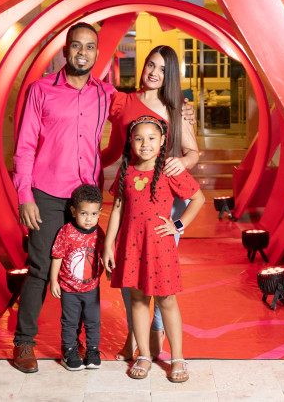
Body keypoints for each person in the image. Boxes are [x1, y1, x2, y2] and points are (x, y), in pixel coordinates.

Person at [11, 22, 111, 373]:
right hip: (47, 194)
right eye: (76, 46)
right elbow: (24, 146)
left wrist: (182, 114)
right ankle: (24, 343)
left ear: (97, 53)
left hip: (87, 199)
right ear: (65, 50)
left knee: (83, 272)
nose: (82, 52)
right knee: (40, 269)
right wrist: (25, 195)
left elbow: (141, 113)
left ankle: (76, 342)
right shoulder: (41, 90)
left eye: (89, 46)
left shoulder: (105, 93)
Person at [101, 45, 200, 361]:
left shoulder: (176, 109)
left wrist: (181, 163)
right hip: (132, 190)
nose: (154, 72)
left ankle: (154, 343)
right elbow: (117, 149)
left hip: (164, 201)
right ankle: (139, 340)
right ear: (142, 67)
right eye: (150, 65)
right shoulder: (124, 102)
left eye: (161, 68)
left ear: (170, 75)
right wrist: (85, 166)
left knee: (156, 275)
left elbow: (193, 152)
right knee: (134, 273)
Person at [103, 116, 206, 383]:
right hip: (130, 244)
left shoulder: (171, 171)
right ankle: (144, 355)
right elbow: (117, 209)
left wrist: (178, 225)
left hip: (159, 245)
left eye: (151, 138)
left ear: (162, 142)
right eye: (139, 138)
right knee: (137, 301)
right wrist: (108, 245)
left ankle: (178, 358)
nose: (144, 144)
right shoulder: (126, 172)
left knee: (167, 301)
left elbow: (198, 198)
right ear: (130, 142)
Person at [49, 184, 105, 371]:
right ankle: (70, 351)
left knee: (93, 321)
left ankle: (92, 351)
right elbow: (57, 256)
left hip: (91, 288)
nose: (89, 219)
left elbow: (104, 256)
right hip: (69, 289)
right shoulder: (66, 231)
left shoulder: (100, 233)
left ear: (99, 212)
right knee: (70, 321)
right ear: (73, 211)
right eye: (83, 213)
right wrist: (54, 280)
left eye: (94, 214)